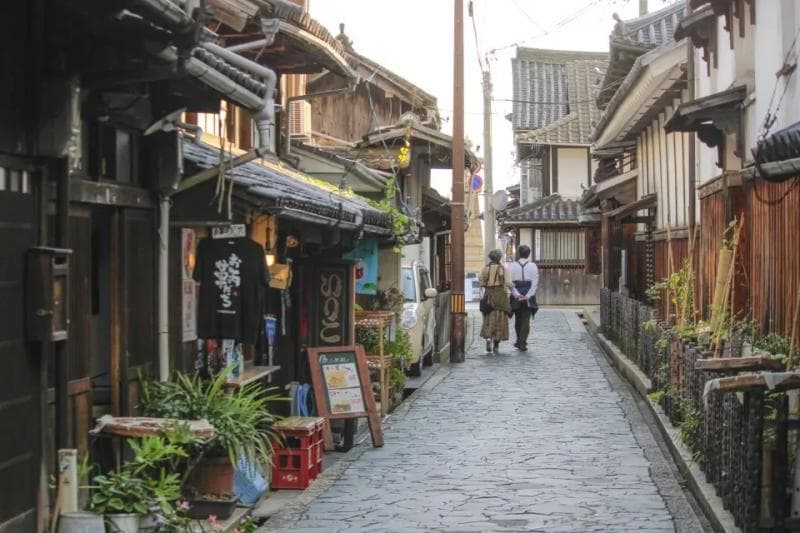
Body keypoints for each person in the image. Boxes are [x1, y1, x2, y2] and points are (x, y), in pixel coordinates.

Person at [479, 249, 513, 354]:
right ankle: (496, 345)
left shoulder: (485, 268)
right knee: (500, 320)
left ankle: (488, 338)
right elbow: (508, 283)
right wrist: (514, 287)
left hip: (488, 294)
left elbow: (481, 282)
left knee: (488, 318)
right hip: (500, 296)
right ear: (499, 258)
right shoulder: (502, 268)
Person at [508, 245, 539, 351]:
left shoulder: (512, 266)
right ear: (529, 254)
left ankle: (519, 340)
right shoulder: (533, 266)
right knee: (526, 319)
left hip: (516, 293)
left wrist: (516, 294)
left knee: (518, 318)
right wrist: (528, 295)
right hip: (528, 293)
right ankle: (522, 342)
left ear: (518, 253)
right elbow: (535, 282)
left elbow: (510, 283)